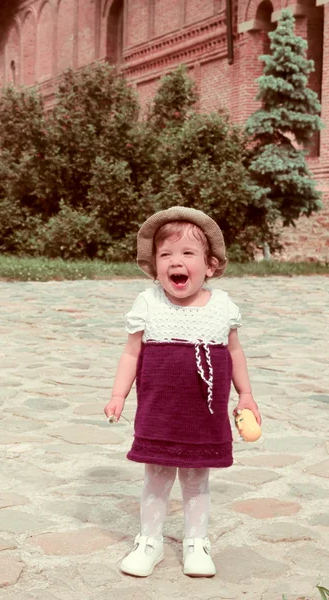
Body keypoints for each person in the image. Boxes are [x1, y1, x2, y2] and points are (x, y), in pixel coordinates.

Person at [104, 206, 261, 578]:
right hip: (159, 411)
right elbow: (131, 353)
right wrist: (118, 395)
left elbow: (235, 352)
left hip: (203, 415)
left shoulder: (222, 306)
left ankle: (196, 542)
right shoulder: (148, 303)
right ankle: (150, 541)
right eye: (166, 255)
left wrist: (247, 395)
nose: (177, 261)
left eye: (188, 254)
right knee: (156, 475)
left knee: (197, 478)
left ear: (209, 265)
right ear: (154, 266)